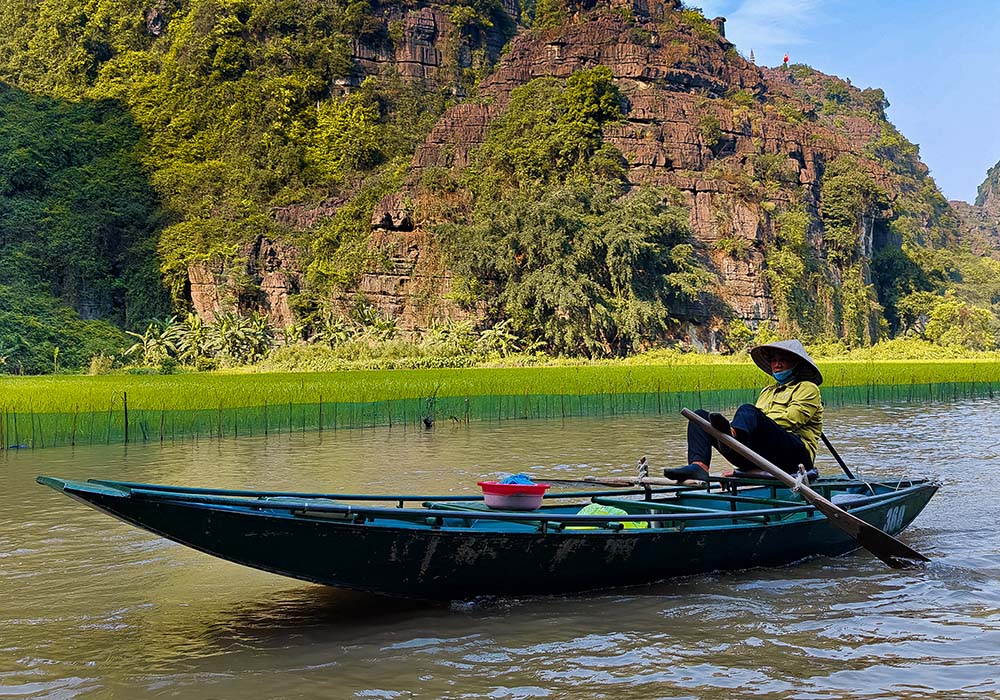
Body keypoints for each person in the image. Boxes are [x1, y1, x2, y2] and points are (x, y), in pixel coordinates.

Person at [666, 339, 823, 483]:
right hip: (764, 454)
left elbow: (791, 420)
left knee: (748, 410)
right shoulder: (767, 391)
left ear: (796, 364)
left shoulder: (808, 388)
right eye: (774, 360)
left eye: (783, 360)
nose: (777, 364)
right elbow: (758, 425)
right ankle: (699, 466)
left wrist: (756, 422)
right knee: (699, 417)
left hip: (796, 457)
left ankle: (732, 436)